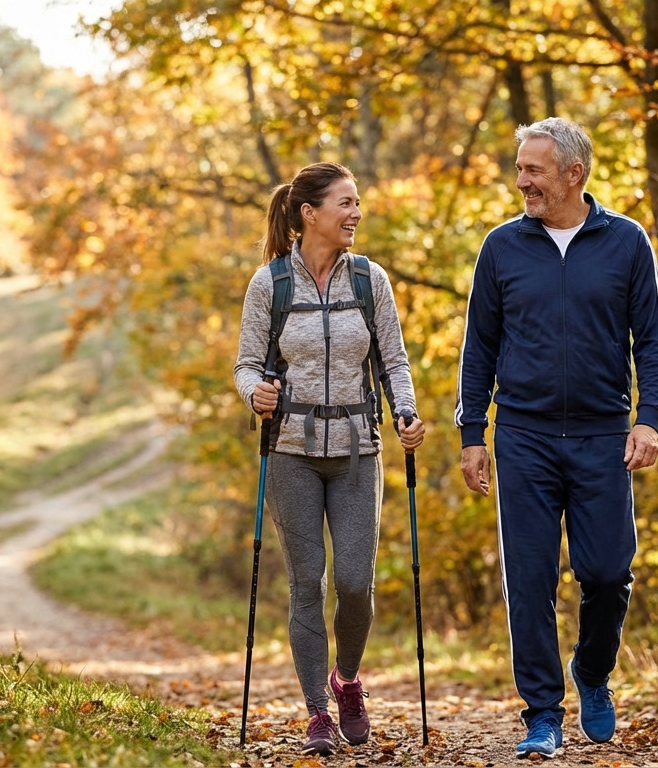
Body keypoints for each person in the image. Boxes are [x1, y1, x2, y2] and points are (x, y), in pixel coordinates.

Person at [455, 117, 658, 759]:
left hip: (605, 436)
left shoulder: (627, 242)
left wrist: (648, 419)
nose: (522, 181)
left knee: (607, 572)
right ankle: (542, 713)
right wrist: (474, 432)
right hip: (523, 434)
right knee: (528, 578)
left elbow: (653, 340)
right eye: (520, 168)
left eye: (533, 170)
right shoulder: (501, 247)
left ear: (574, 173)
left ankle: (593, 673)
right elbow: (480, 347)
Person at [234, 161, 425, 756]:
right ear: (308, 213)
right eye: (345, 203)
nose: (355, 213)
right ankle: (317, 709)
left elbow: (393, 359)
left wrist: (407, 413)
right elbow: (245, 364)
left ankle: (347, 679)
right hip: (290, 452)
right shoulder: (271, 284)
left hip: (356, 450)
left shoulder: (370, 281)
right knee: (306, 584)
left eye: (357, 202)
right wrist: (255, 393)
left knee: (355, 582)